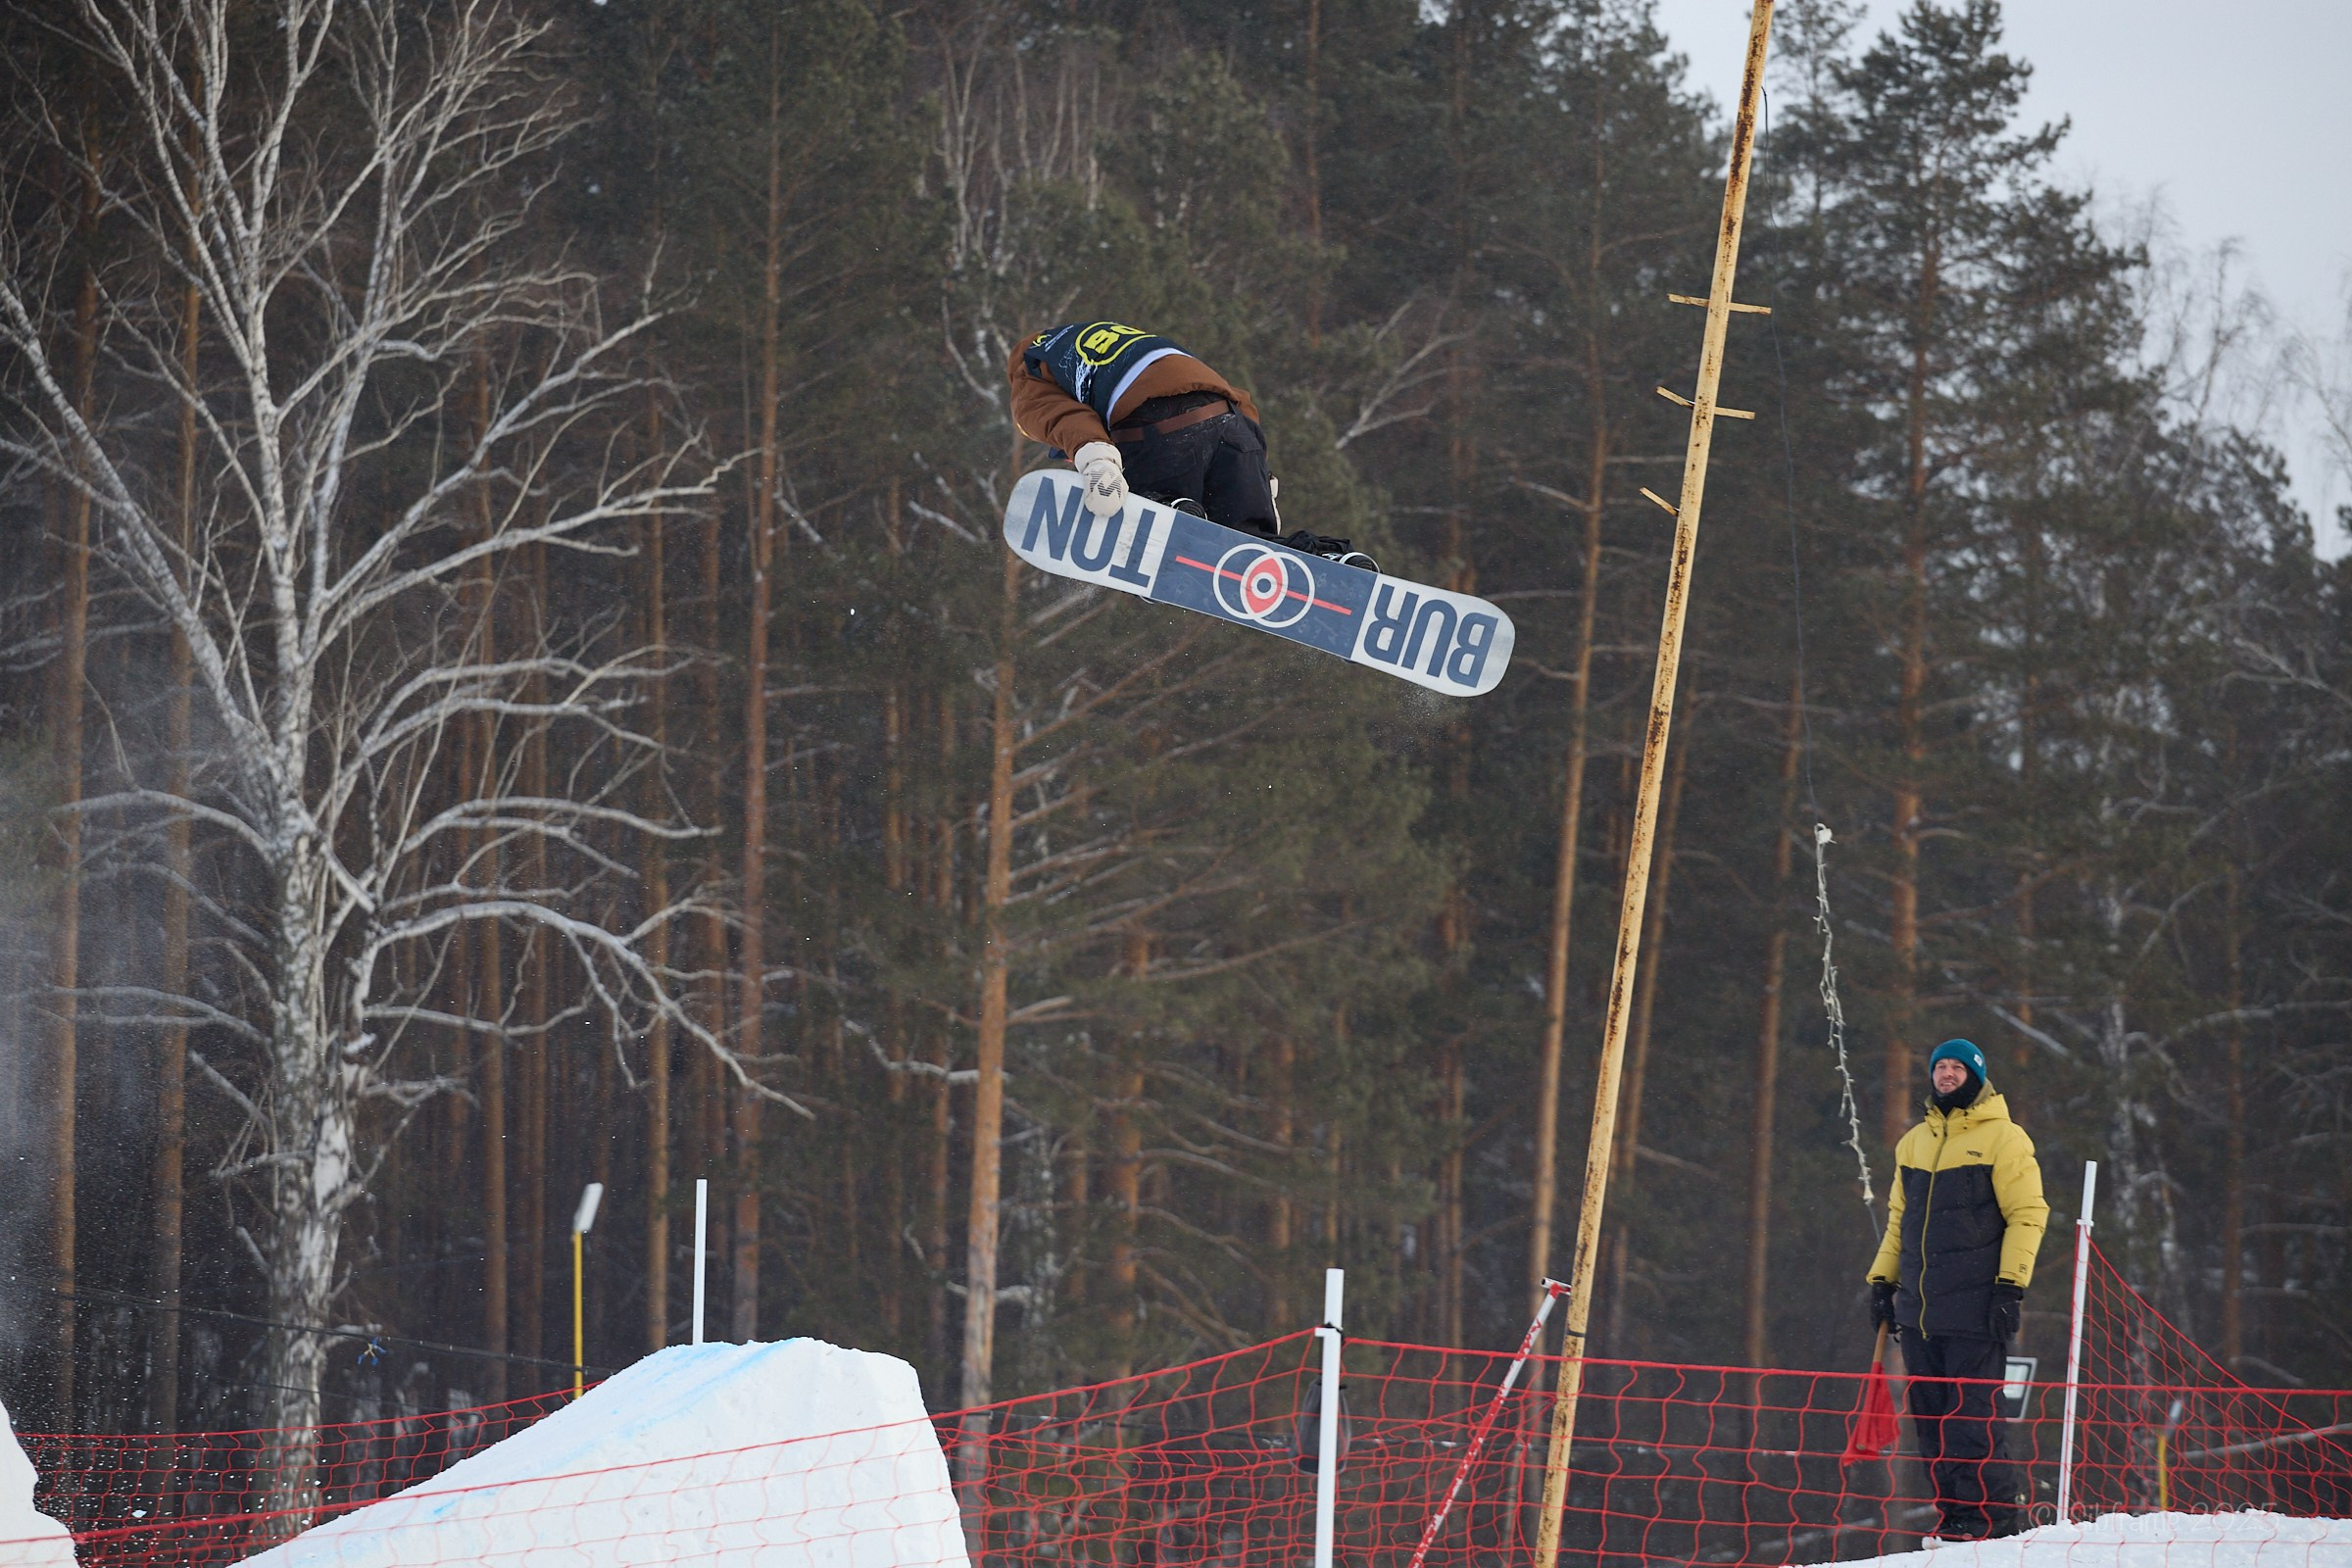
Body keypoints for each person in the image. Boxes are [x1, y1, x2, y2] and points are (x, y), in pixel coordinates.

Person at [1866, 1038, 2049, 1541]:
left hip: (1976, 1308)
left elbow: (2028, 1214)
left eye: (1957, 1068)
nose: (1947, 1074)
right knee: (1931, 1423)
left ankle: (1993, 1519)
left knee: (1973, 1420)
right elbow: (1899, 1220)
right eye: (1940, 1066)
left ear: (1977, 1076)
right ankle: (1954, 1519)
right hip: (1919, 1313)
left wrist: (2010, 1286)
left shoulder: (2005, 1138)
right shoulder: (1913, 1143)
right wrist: (1882, 1282)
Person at [1005, 320, 1373, 569]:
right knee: (1249, 550)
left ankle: (1167, 510)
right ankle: (1327, 561)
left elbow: (1066, 421)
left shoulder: (1029, 375)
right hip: (1234, 424)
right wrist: (1262, 479)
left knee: (1130, 520)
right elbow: (1236, 400)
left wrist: (1098, 463)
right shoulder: (1107, 343)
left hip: (1160, 428)